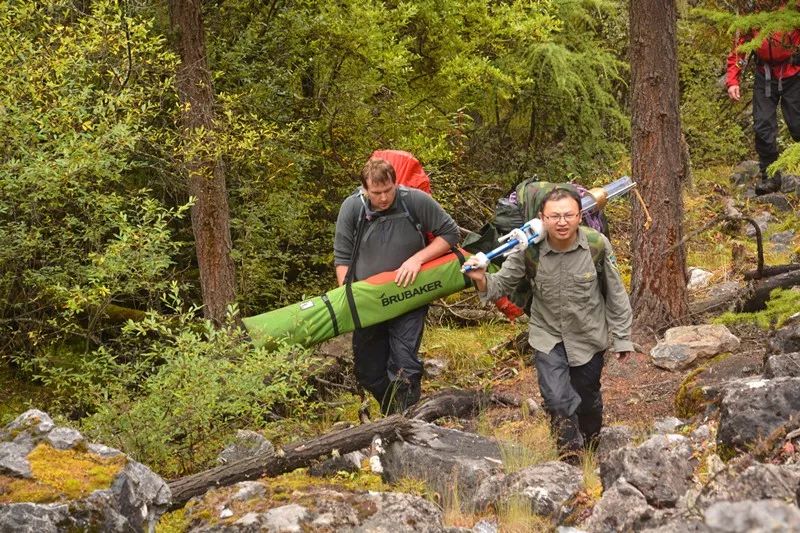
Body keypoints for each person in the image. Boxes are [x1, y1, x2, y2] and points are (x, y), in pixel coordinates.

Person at [462, 185, 633, 460]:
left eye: (568, 215)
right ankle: (569, 458)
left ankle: (590, 447)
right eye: (554, 216)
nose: (562, 222)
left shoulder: (596, 245)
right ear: (542, 218)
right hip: (548, 336)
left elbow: (616, 293)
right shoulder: (528, 251)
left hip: (589, 337)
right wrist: (481, 277)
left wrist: (622, 337)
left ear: (580, 216)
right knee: (556, 401)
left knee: (587, 400)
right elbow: (499, 286)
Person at [334, 158, 460, 414]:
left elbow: (450, 233)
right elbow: (343, 257)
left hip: (410, 295)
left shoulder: (414, 201)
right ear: (364, 190)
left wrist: (417, 259)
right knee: (367, 371)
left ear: (396, 183)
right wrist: (350, 298)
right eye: (376, 193)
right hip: (368, 300)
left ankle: (407, 420)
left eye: (388, 190)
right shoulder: (352, 209)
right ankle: (393, 412)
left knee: (404, 364)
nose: (383, 198)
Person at [726, 14, 800, 195]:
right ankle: (770, 178)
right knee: (762, 126)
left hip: (794, 73)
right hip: (764, 74)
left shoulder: (793, 7)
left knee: (797, 125)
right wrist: (733, 80)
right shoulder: (752, 8)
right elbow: (740, 46)